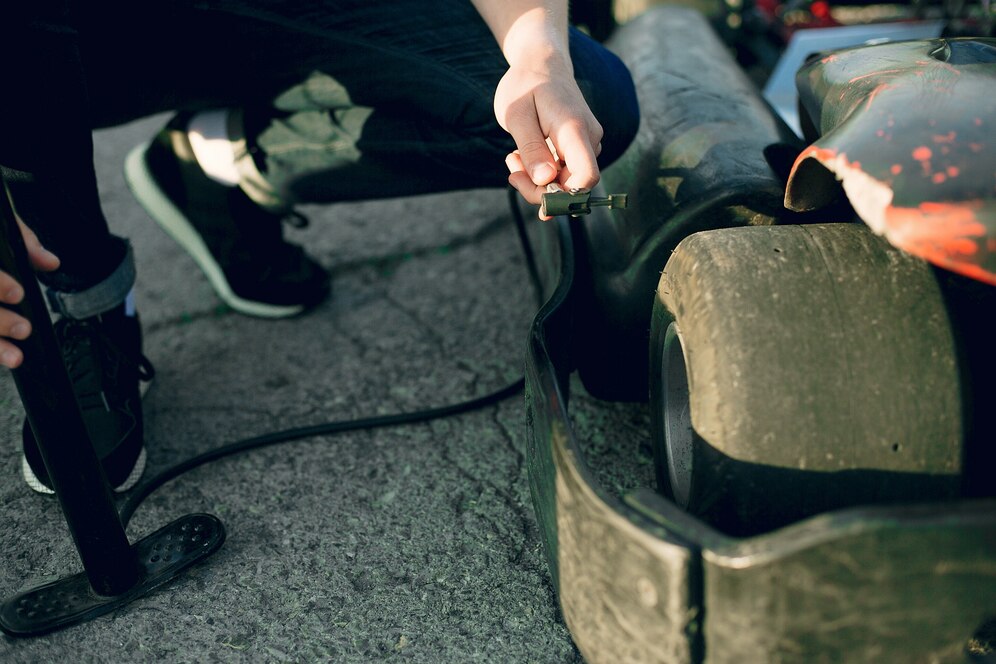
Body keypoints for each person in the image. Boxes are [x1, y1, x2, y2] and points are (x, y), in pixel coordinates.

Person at [0, 1, 639, 493]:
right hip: (63, 34)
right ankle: (83, 302)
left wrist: (538, 59)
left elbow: (539, 61)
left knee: (592, 97)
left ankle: (221, 159)